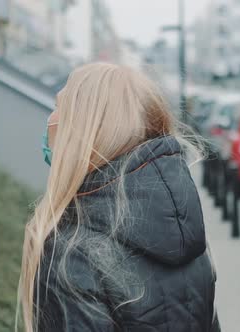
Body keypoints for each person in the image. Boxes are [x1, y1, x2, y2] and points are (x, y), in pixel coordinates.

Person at [18, 63, 219, 331]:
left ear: (86, 129)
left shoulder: (71, 255)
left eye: (60, 106)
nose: (51, 118)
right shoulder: (187, 228)